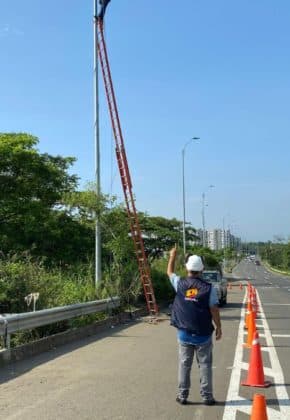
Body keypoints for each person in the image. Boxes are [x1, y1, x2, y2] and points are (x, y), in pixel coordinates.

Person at [167, 245, 222, 406]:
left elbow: (169, 273)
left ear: (187, 268)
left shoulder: (180, 284)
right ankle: (207, 397)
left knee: (184, 365)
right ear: (202, 269)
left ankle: (182, 395)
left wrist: (172, 256)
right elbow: (214, 309)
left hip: (184, 334)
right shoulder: (209, 288)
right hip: (203, 334)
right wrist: (218, 327)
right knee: (205, 365)